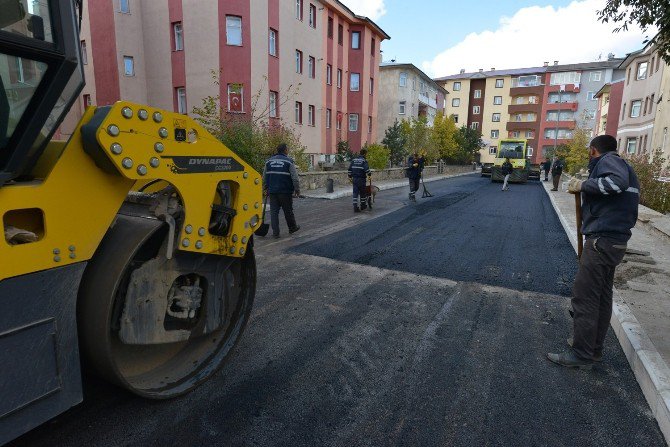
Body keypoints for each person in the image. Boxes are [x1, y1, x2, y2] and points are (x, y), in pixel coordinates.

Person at [547, 135, 640, 369]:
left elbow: (615, 183)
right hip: (615, 240)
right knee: (601, 297)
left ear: (592, 150)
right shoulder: (624, 165)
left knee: (585, 296)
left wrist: (584, 185)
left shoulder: (608, 161)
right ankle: (592, 348)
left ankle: (582, 354)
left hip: (602, 240)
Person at [263, 143, 301, 238]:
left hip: (272, 192)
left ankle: (275, 233)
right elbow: (295, 178)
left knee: (274, 212)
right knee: (288, 210)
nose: (288, 150)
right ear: (285, 150)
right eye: (287, 149)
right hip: (285, 191)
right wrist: (297, 189)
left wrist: (265, 187)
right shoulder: (289, 161)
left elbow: (264, 176)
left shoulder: (268, 162)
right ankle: (292, 227)